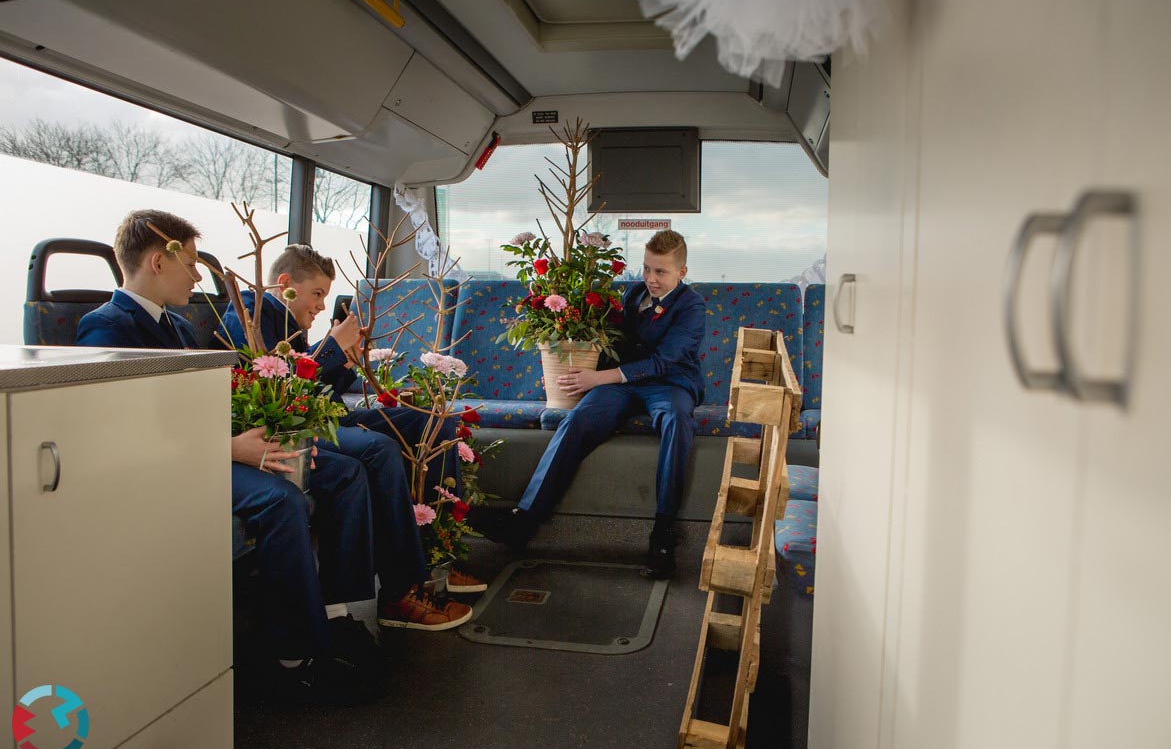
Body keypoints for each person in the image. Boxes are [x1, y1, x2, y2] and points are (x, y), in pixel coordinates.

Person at [76, 209, 467, 702]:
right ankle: (299, 656)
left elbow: (210, 402)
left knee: (344, 474)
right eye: (192, 263)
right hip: (171, 463)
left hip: (208, 443)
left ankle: (341, 614)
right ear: (159, 261)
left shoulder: (173, 327)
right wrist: (228, 447)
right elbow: (121, 427)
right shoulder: (106, 328)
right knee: (285, 499)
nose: (199, 275)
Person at [217, 244, 487, 594]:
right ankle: (405, 587)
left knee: (435, 424)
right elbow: (277, 392)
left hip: (319, 414)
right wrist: (330, 347)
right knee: (380, 448)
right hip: (291, 426)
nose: (319, 306)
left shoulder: (283, 320)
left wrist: (344, 362)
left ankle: (438, 557)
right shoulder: (249, 317)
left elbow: (314, 387)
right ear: (284, 282)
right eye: (316, 294)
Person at [491, 230, 706, 579]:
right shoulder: (633, 292)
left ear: (681, 272)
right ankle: (525, 519)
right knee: (578, 419)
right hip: (622, 386)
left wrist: (598, 379)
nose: (650, 279)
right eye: (647, 269)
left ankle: (664, 532)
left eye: (661, 272)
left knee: (676, 422)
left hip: (669, 384)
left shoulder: (692, 306)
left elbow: (664, 362)